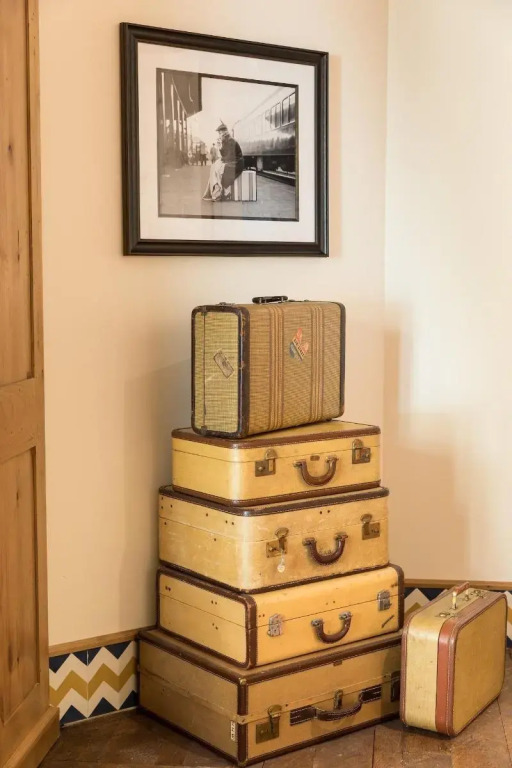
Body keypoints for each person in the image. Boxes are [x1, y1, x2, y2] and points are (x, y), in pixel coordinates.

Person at [202, 122, 244, 201]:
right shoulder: (225, 140)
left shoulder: (231, 141)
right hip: (232, 162)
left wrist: (222, 161)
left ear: (224, 132)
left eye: (220, 133)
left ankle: (221, 193)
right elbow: (224, 155)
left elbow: (229, 156)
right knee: (214, 167)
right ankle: (217, 192)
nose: (219, 135)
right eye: (219, 133)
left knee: (218, 169)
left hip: (237, 163)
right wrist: (220, 147)